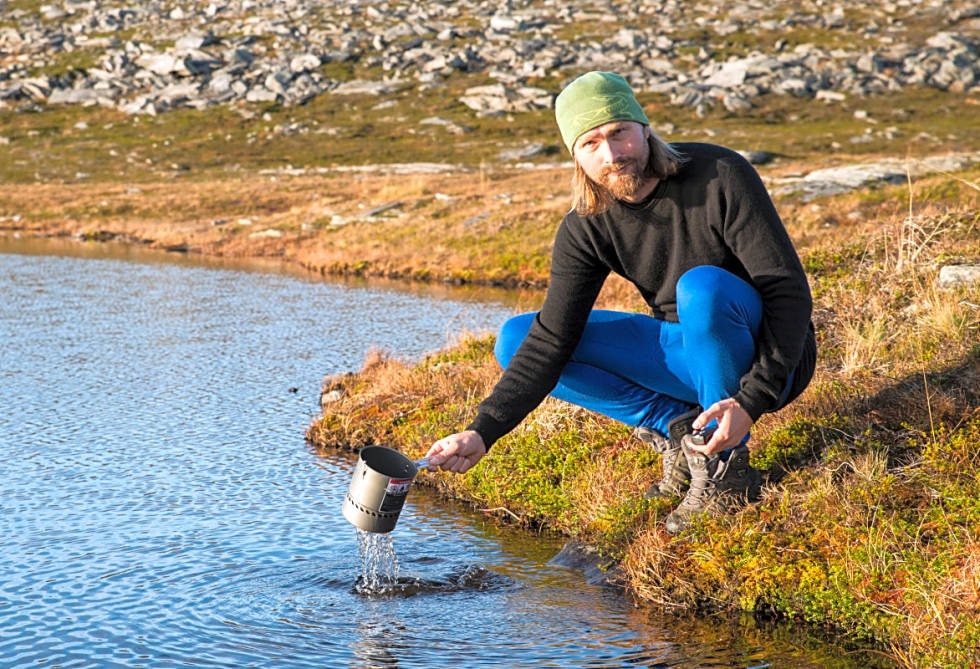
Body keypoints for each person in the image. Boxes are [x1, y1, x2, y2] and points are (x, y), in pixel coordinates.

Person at [424, 71, 816, 533]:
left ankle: (724, 470)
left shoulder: (720, 175)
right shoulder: (585, 225)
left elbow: (787, 291)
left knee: (702, 288)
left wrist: (753, 399)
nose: (612, 154)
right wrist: (482, 431)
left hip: (764, 355)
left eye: (619, 133)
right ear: (576, 156)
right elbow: (553, 339)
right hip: (687, 355)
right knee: (516, 340)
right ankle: (677, 428)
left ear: (644, 129)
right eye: (591, 143)